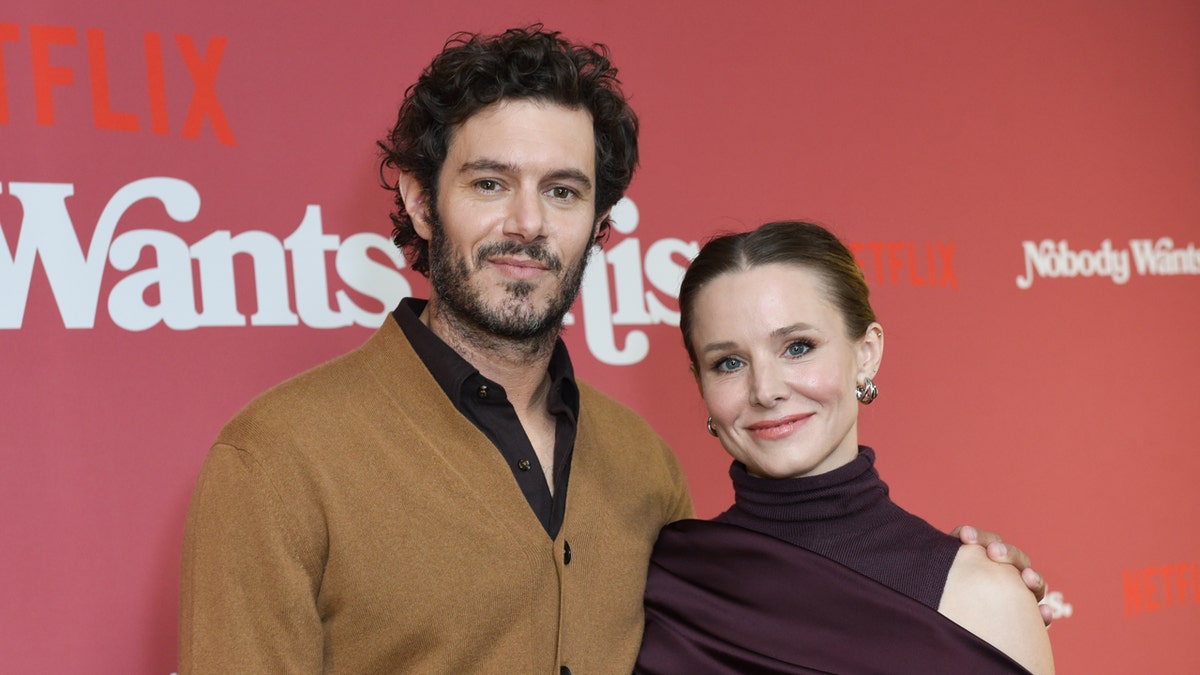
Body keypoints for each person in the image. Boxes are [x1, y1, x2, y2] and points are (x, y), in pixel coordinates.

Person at [179, 27, 1048, 674]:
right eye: (490, 183)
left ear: (597, 223)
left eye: (562, 190)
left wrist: (975, 601)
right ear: (416, 198)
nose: (527, 222)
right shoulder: (278, 459)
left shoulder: (644, 471)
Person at [635, 221, 1055, 674]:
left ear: (867, 353)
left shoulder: (982, 596)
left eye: (797, 347)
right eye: (729, 363)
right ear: (701, 382)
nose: (765, 390)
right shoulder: (660, 582)